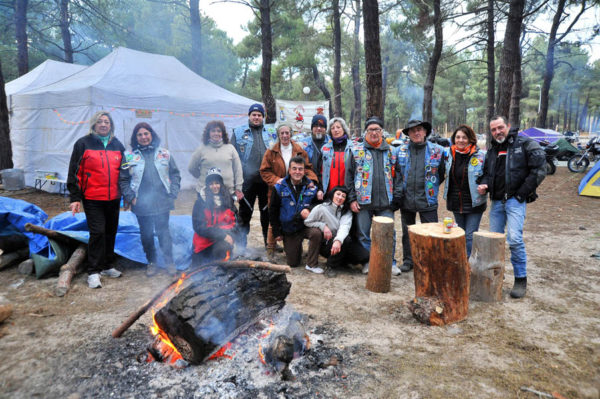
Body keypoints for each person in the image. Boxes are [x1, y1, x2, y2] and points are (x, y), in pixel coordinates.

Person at [477, 115, 546, 298]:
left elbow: (540, 168)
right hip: (497, 202)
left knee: (514, 239)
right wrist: (484, 184)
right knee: (494, 242)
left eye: (500, 127)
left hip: (516, 201)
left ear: (508, 126)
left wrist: (522, 193)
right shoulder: (492, 150)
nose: (497, 132)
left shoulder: (524, 143)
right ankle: (495, 277)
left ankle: (520, 280)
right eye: (493, 129)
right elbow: (486, 173)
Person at [67, 111, 125, 288]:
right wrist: (75, 197)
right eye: (100, 122)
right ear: (94, 124)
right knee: (97, 232)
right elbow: (74, 172)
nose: (103, 124)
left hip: (113, 197)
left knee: (111, 231)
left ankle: (107, 265)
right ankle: (93, 271)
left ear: (111, 125)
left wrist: (126, 194)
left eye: (107, 122)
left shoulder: (118, 145)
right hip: (92, 197)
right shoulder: (83, 143)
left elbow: (124, 172)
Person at [119, 122, 181, 276]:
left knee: (163, 232)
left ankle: (169, 261)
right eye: (139, 135)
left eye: (146, 133)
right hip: (141, 202)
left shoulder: (165, 153)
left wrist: (173, 192)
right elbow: (123, 179)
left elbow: (175, 174)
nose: (143, 137)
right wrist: (130, 196)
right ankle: (152, 261)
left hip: (162, 200)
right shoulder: (128, 156)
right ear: (136, 138)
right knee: (146, 233)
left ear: (151, 134)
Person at [345, 116, 402, 276]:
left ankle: (390, 263)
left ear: (382, 132)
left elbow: (398, 175)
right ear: (366, 132)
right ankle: (368, 262)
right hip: (363, 201)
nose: (374, 132)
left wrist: (397, 197)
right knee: (364, 234)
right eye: (371, 130)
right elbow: (349, 176)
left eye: (377, 129)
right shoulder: (356, 150)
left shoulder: (391, 151)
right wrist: (352, 199)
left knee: (389, 233)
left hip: (386, 202)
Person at [259, 123, 318, 255]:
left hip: (297, 188)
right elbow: (264, 171)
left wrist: (311, 181)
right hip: (278, 190)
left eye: (287, 133)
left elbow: (307, 168)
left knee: (295, 214)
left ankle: (296, 244)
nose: (285, 135)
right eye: (282, 133)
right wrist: (276, 180)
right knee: (273, 216)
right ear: (278, 135)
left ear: (291, 134)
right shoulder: (271, 151)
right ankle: (271, 248)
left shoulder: (299, 150)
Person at [396, 119, 446, 273]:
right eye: (412, 131)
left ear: (425, 132)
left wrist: (432, 187)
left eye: (419, 129)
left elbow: (441, 173)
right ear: (409, 134)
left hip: (427, 200)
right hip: (407, 199)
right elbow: (397, 174)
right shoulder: (400, 151)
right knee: (407, 232)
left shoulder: (437, 151)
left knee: (430, 233)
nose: (416, 133)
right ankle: (408, 260)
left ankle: (430, 261)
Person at [231, 104, 278, 250]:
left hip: (267, 181)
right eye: (254, 114)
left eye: (259, 115)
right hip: (247, 181)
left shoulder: (272, 131)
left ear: (263, 117)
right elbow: (233, 157)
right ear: (249, 116)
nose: (256, 117)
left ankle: (269, 243)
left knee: (267, 213)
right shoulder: (238, 132)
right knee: (245, 213)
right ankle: (241, 245)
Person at [304, 186, 370, 277]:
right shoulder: (321, 208)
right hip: (326, 243)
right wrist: (323, 226)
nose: (340, 198)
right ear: (332, 195)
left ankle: (342, 262)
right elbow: (308, 222)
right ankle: (331, 266)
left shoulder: (347, 212)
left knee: (365, 255)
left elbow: (344, 227)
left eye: (343, 196)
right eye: (338, 194)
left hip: (340, 241)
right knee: (345, 240)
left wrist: (338, 240)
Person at [442, 124, 486, 257]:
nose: (461, 140)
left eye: (464, 138)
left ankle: (468, 264)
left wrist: (485, 184)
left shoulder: (481, 156)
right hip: (456, 202)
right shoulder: (449, 154)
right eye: (458, 137)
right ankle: (461, 261)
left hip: (474, 201)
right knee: (459, 234)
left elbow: (488, 174)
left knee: (470, 236)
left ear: (471, 139)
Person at [269, 156, 319, 269]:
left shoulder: (311, 187)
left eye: (300, 169)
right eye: (294, 168)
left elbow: (319, 205)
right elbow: (273, 210)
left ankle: (311, 263)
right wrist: (277, 232)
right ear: (289, 170)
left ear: (304, 171)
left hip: (306, 225)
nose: (297, 172)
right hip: (290, 229)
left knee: (316, 233)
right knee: (293, 263)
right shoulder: (279, 187)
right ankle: (296, 248)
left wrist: (309, 209)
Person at [191, 168, 237, 265]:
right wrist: (222, 235)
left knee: (224, 251)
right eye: (211, 184)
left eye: (217, 183)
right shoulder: (200, 202)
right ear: (207, 186)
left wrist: (232, 235)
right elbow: (199, 227)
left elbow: (236, 221)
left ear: (221, 184)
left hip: (221, 240)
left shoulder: (228, 200)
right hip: (204, 241)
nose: (214, 186)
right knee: (198, 264)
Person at [188, 120, 243, 198]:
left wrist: (238, 188)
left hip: (227, 192)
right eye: (213, 131)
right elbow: (191, 168)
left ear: (222, 133)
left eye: (219, 131)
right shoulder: (201, 149)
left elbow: (238, 170)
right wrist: (201, 176)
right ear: (208, 133)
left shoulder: (230, 148)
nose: (216, 133)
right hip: (205, 193)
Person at [297, 114, 329, 200]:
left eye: (322, 126)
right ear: (312, 128)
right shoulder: (302, 144)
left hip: (327, 182)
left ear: (325, 128)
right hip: (307, 182)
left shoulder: (331, 143)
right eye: (315, 126)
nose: (318, 128)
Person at [321, 117, 352, 194]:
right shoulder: (325, 149)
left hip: (348, 192)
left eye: (338, 127)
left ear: (344, 129)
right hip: (329, 192)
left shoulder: (353, 148)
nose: (335, 130)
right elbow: (319, 171)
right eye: (333, 128)